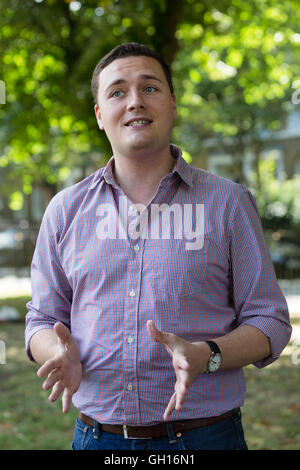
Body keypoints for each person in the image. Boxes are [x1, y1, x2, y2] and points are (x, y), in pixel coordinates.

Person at [25, 42, 292, 451]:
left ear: (172, 103)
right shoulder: (65, 210)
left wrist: (208, 355)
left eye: (149, 88)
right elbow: (41, 318)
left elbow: (269, 320)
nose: (134, 101)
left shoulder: (228, 202)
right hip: (97, 439)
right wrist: (58, 350)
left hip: (206, 438)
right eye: (117, 92)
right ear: (100, 115)